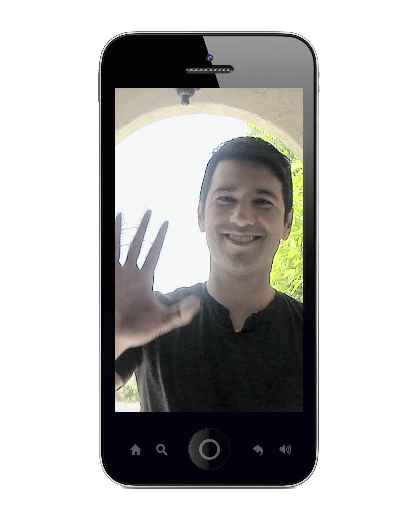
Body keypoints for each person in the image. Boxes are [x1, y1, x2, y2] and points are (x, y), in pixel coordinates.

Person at [115, 136, 302, 412]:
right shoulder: (153, 317)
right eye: (225, 199)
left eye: (262, 202)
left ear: (287, 223)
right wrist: (116, 336)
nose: (241, 217)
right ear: (201, 215)